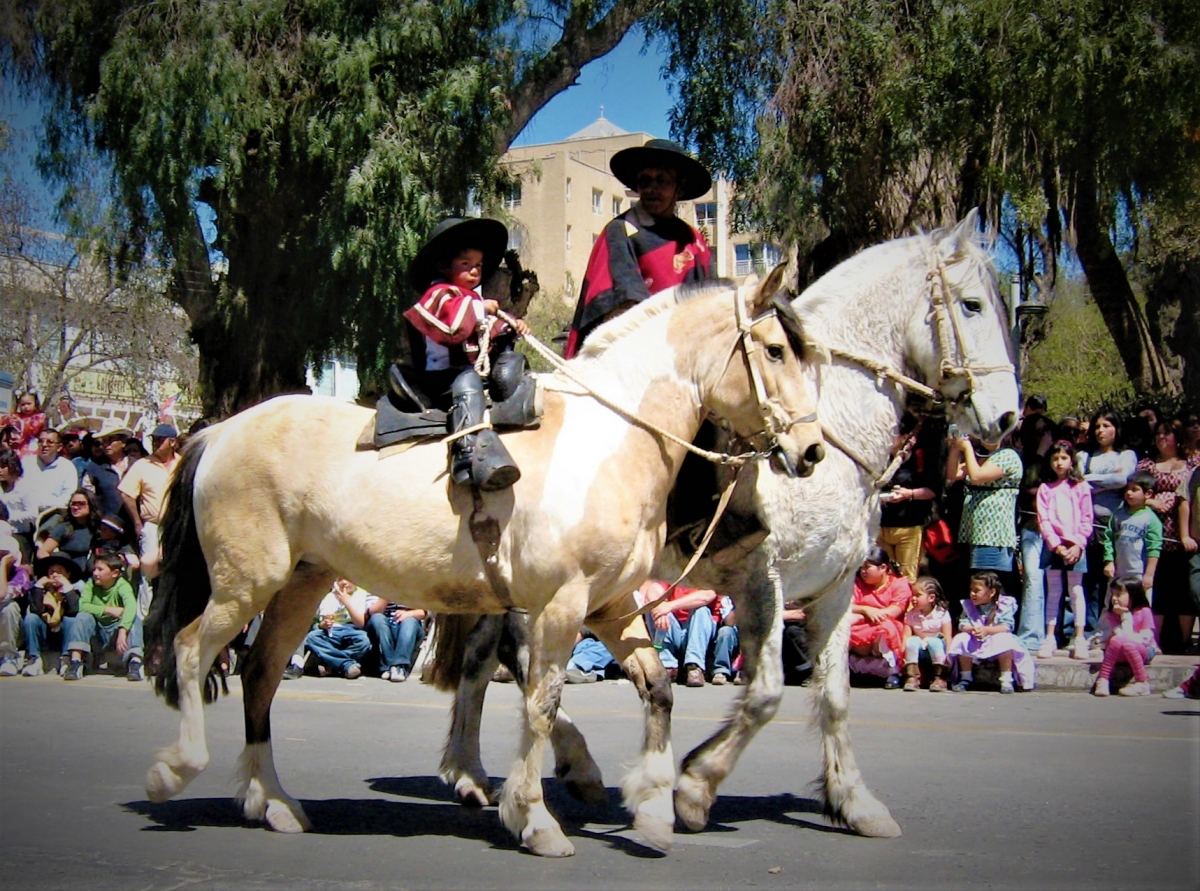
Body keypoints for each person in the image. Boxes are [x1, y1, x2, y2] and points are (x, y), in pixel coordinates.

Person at [402, 217, 531, 491]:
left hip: (470, 371)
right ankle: (467, 452)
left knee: (510, 368)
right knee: (467, 383)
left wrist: (511, 327)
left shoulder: (473, 300)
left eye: (479, 265)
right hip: (442, 378)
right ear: (444, 266)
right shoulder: (439, 295)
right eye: (465, 264)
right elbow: (453, 327)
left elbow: (489, 334)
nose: (474, 271)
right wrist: (481, 309)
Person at [564, 139, 713, 358]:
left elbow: (709, 304)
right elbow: (622, 303)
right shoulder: (620, 231)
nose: (652, 188)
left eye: (662, 180)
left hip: (689, 353)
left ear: (678, 189)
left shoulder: (693, 240)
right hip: (633, 353)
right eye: (645, 180)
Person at [1135, 418, 1198, 653]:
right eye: (1158, 434)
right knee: (1158, 588)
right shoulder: (1148, 464)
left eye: (1167, 434)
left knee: (1185, 590)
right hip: (1154, 534)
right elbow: (1132, 491)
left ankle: (1185, 641)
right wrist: (1152, 502)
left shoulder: (1191, 463)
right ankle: (1156, 641)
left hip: (1185, 535)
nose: (1162, 437)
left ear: (1177, 438)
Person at [1077, 410, 1138, 632]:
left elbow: (1122, 479)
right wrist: (1107, 481)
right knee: (1089, 579)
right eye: (1097, 427)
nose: (1101, 431)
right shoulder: (1086, 456)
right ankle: (1090, 627)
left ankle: (1114, 626)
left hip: (1113, 523)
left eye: (1106, 425)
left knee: (1111, 576)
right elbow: (1078, 483)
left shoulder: (1126, 455)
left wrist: (1092, 480)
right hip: (1087, 523)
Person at [945, 428, 1023, 600]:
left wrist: (967, 449)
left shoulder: (1008, 455)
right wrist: (956, 448)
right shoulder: (981, 457)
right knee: (975, 582)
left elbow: (977, 477)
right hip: (973, 531)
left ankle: (997, 622)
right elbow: (953, 473)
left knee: (990, 581)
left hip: (993, 532)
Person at [1034, 440, 1094, 660]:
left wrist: (1078, 543)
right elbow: (1044, 519)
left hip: (1075, 546)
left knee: (1076, 590)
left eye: (1064, 458)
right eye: (1055, 458)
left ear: (1072, 460)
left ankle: (1079, 637)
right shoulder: (1045, 488)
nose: (1059, 463)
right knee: (1054, 592)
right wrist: (1056, 545)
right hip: (1054, 547)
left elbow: (1087, 518)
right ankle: (1050, 637)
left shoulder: (1081, 487)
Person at [60, 549, 143, 681]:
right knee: (83, 616)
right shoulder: (90, 584)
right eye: (95, 569)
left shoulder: (122, 585)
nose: (95, 573)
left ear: (115, 573)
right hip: (97, 634)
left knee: (134, 618)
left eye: (100, 569)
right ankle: (76, 663)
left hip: (115, 636)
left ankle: (135, 663)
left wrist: (123, 630)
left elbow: (131, 606)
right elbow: (83, 605)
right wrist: (108, 609)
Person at [948, 570, 1036, 693]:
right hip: (976, 639)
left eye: (977, 590)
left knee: (1006, 640)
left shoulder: (1004, 604)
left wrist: (987, 630)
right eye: (971, 590)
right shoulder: (968, 606)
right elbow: (963, 624)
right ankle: (966, 678)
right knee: (961, 638)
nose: (972, 594)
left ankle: (1006, 679)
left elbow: (1006, 626)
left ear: (992, 592)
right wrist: (972, 629)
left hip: (994, 638)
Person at [118, 422, 180, 583]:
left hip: (176, 528)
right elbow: (126, 493)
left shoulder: (183, 464)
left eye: (161, 440)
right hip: (153, 526)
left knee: (175, 572)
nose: (156, 443)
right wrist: (138, 523)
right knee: (148, 577)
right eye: (155, 440)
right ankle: (146, 610)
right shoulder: (142, 465)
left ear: (172, 442)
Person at [877, 416, 937, 582]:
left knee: (906, 577)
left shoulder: (920, 459)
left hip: (908, 526)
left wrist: (908, 494)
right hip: (880, 525)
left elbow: (933, 489)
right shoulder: (881, 459)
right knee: (883, 576)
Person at [847, 548, 913, 689]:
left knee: (886, 626)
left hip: (885, 627)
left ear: (883, 568)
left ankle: (893, 673)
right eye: (861, 568)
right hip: (860, 627)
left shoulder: (900, 584)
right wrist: (865, 610)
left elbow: (892, 612)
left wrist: (861, 615)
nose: (863, 572)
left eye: (867, 567)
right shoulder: (857, 584)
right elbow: (846, 606)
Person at [1101, 471, 1162, 622]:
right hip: (1118, 571)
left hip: (1138, 573)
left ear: (1148, 494)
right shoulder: (1118, 514)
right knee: (1111, 603)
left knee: (1140, 607)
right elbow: (1109, 538)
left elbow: (1154, 548)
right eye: (1127, 489)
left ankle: (1141, 639)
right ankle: (1105, 635)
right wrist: (1109, 560)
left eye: (1135, 490)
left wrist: (1149, 574)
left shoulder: (1151, 519)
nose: (1129, 493)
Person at [644, 578, 726, 687]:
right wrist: (659, 608)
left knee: (701, 610)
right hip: (674, 629)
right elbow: (653, 589)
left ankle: (694, 668)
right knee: (654, 610)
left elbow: (706, 596)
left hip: (698, 632)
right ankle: (667, 666)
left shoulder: (709, 573)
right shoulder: (676, 573)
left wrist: (669, 606)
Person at [20, 550, 83, 676]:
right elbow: (36, 610)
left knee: (71, 619)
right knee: (31, 618)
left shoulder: (74, 590)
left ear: (68, 574)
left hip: (64, 634)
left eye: (59, 572)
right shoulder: (41, 591)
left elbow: (74, 609)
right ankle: (35, 659)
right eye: (51, 572)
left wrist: (66, 586)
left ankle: (66, 660)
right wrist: (38, 587)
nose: (55, 575)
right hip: (46, 633)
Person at [1092, 576, 1156, 697]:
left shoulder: (1144, 611)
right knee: (1116, 639)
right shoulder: (1112, 614)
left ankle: (1142, 682)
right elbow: (1120, 634)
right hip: (1121, 650)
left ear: (1133, 595)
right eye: (1113, 594)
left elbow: (1143, 638)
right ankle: (1103, 679)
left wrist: (1125, 616)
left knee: (1126, 642)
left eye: (1119, 594)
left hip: (1144, 650)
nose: (1114, 598)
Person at [302, 578, 372, 679]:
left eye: (347, 579)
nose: (344, 583)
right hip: (333, 630)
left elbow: (360, 623)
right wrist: (324, 624)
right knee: (312, 637)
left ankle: (331, 664)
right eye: (340, 580)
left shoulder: (361, 594)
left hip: (352, 629)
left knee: (364, 640)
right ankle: (347, 665)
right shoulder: (331, 596)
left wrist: (347, 603)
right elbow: (322, 621)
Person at [901, 576, 953, 692]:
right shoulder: (911, 614)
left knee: (934, 641)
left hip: (937, 651)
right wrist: (902, 654)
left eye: (918, 595)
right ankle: (912, 676)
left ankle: (939, 677)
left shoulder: (942, 613)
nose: (913, 599)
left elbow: (947, 636)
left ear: (931, 598)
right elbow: (906, 636)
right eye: (912, 595)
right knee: (912, 641)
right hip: (920, 653)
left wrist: (949, 656)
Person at [35, 488, 100, 574]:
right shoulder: (64, 528)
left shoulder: (96, 528)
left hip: (88, 574)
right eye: (73, 504)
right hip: (66, 575)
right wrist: (55, 569)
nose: (76, 507)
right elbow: (42, 552)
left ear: (91, 505)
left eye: (81, 504)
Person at [365, 598, 427, 682]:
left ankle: (399, 667)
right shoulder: (377, 587)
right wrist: (387, 595)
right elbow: (373, 612)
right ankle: (388, 667)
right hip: (385, 625)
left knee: (409, 622)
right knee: (377, 618)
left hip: (409, 625)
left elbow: (424, 613)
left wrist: (409, 613)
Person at [21, 428, 79, 515]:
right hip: (26, 513)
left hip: (54, 515)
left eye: (50, 442)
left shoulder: (67, 467)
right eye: (41, 441)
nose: (44, 445)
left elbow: (69, 494)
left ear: (59, 447)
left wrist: (47, 507)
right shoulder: (26, 464)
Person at [0, 529, 34, 676]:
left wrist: (2, 566)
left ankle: (9, 657)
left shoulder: (21, 575)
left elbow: (2, 595)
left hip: (12, 630)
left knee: (9, 608)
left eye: (3, 554)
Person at [1180, 463, 1200, 653]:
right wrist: (1185, 535)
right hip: (1198, 544)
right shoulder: (1195, 474)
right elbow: (1185, 501)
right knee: (1196, 589)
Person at [0, 448, 38, 546]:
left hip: (20, 533)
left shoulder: (25, 487)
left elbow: (33, 514)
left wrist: (10, 518)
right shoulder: (1, 486)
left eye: (3, 466)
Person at [2, 392, 47, 459]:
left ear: (35, 403)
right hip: (15, 445)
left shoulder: (39, 416)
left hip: (31, 445)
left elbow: (33, 429)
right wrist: (8, 420)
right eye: (23, 404)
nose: (26, 407)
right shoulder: (17, 416)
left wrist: (20, 423)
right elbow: (4, 424)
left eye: (29, 404)